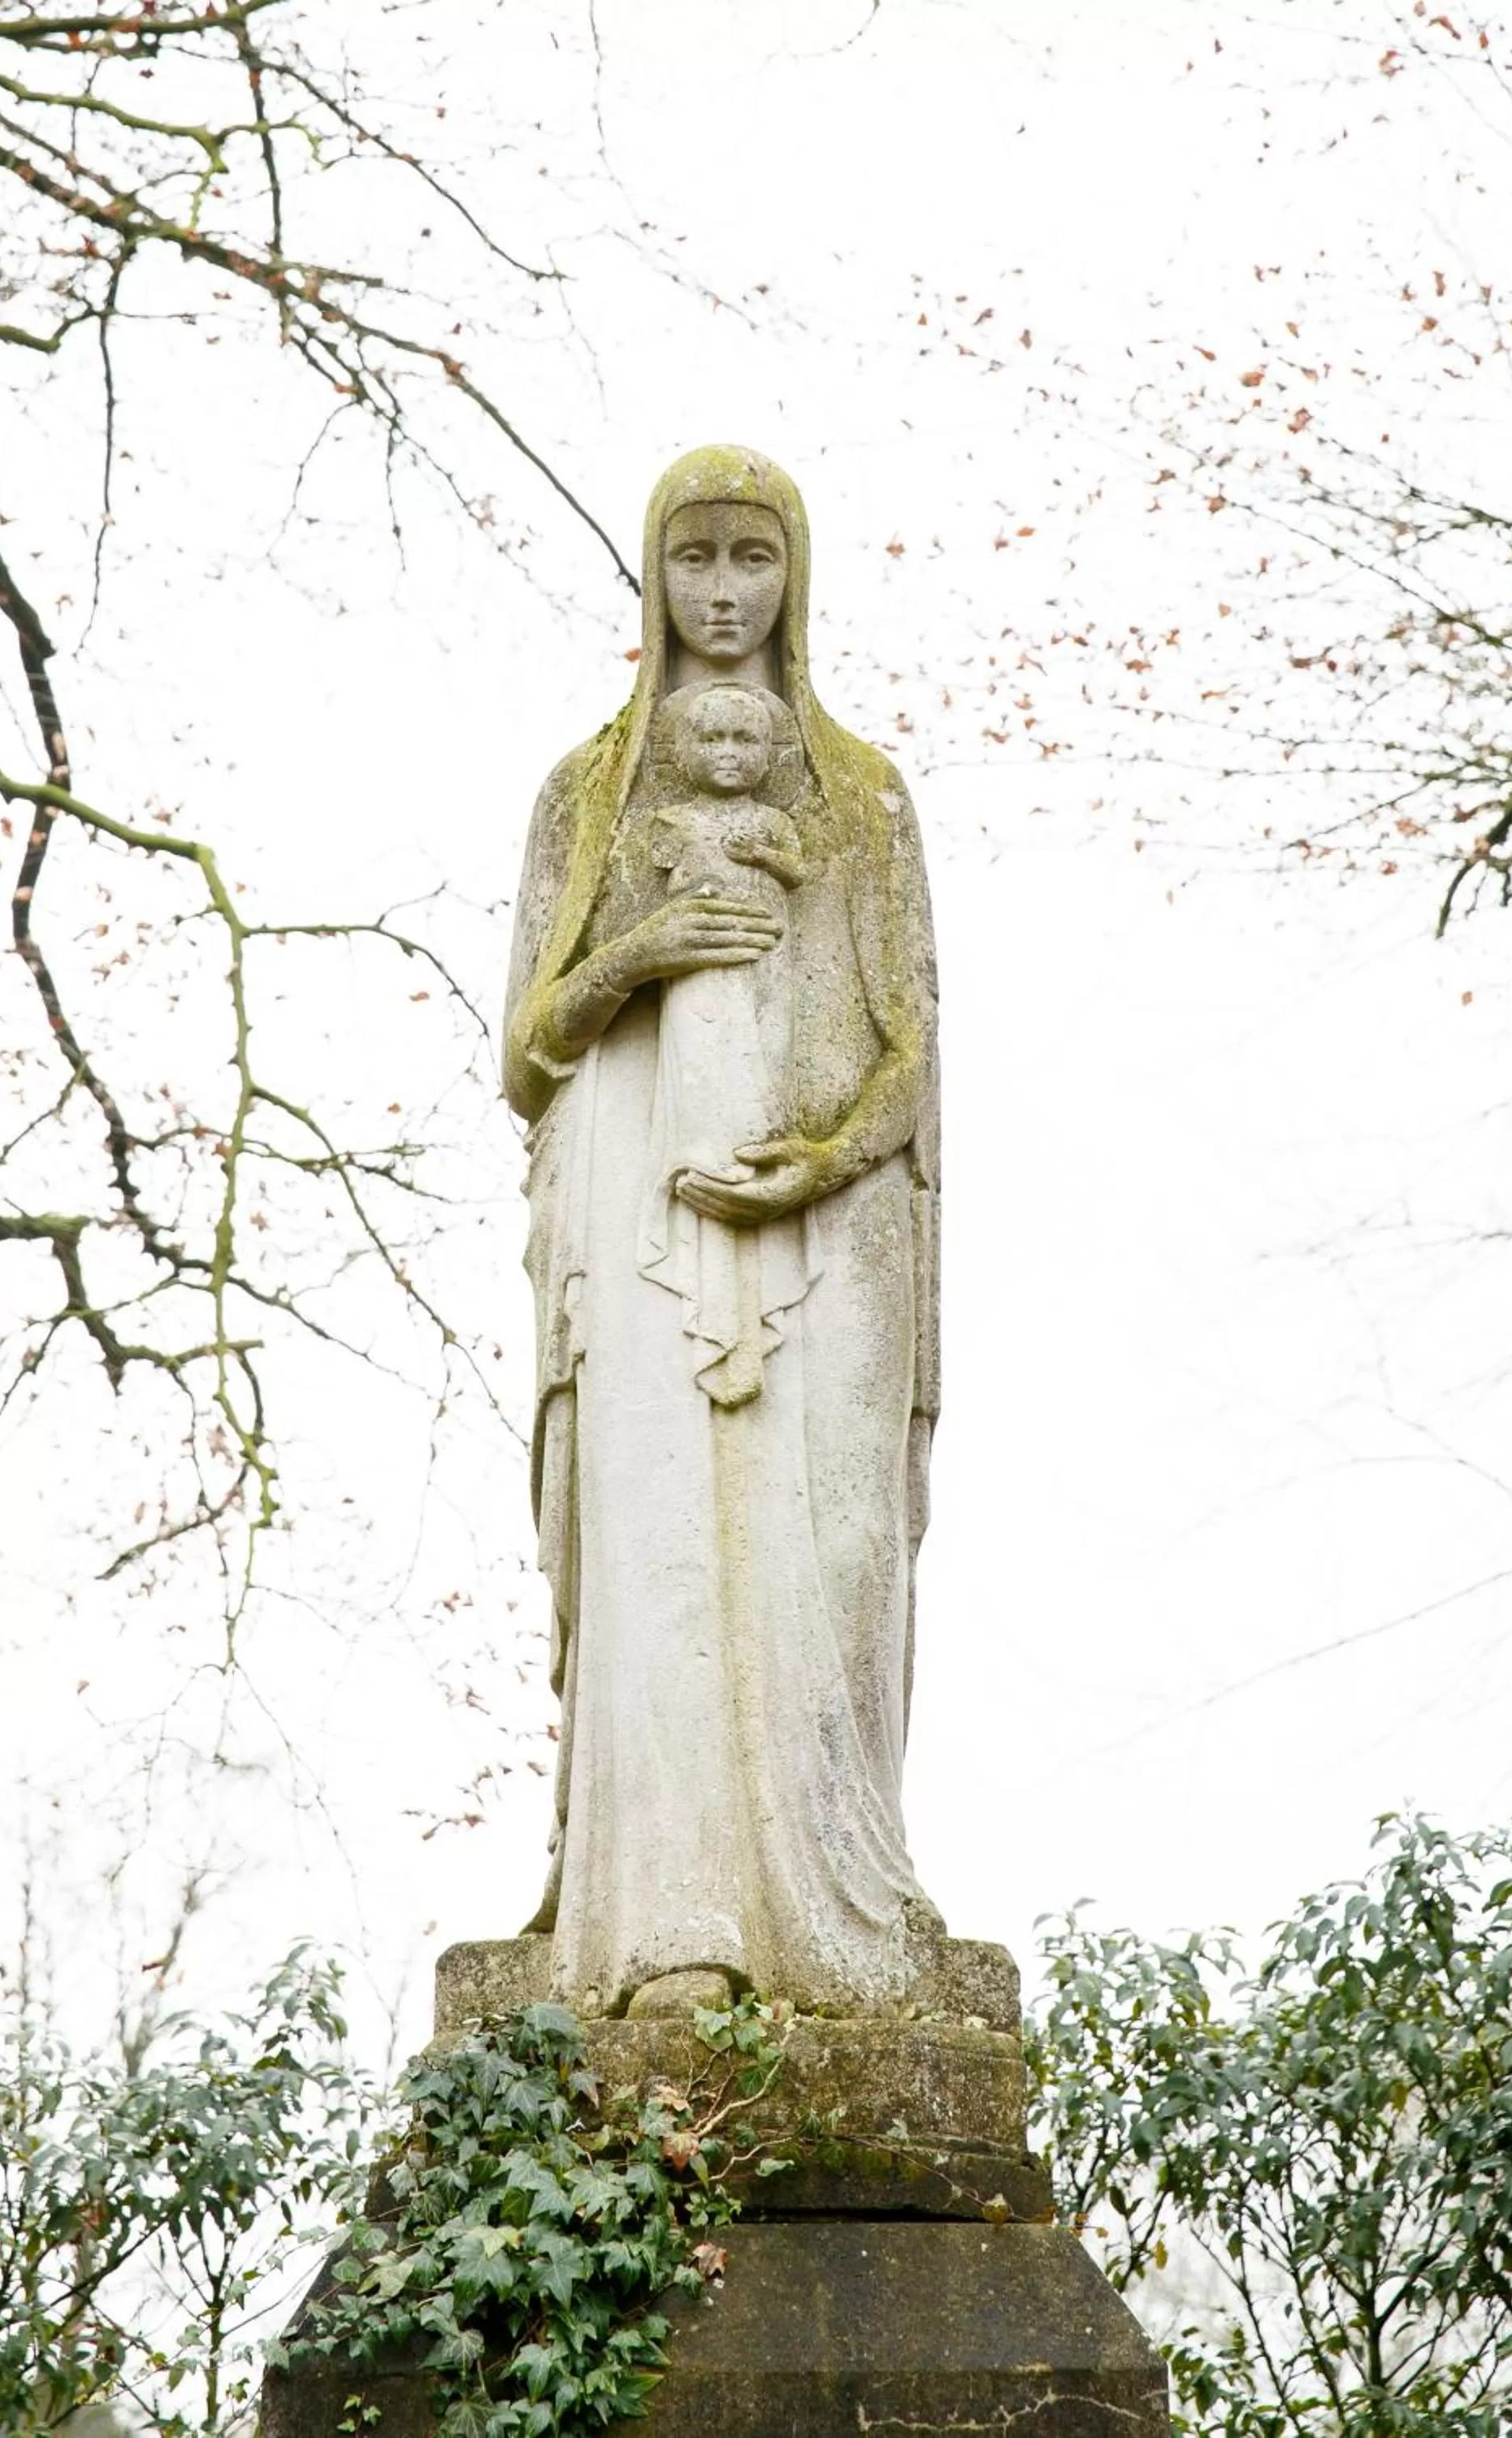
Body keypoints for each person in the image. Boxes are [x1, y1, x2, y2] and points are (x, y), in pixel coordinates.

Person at [505, 444, 942, 2015]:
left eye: (752, 560)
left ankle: (838, 1916)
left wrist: (821, 1160)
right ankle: (665, 1929)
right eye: (696, 560)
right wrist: (644, 948)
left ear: (795, 579)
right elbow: (524, 1046)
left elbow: (913, 1053)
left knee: (827, 1556)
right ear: (654, 576)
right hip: (633, 1200)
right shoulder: (587, 791)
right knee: (658, 1549)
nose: (724, 592)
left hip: (832, 1230)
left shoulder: (867, 799)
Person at [643, 680, 807, 1410]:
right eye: (713, 740)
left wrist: (767, 860)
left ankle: (745, 1319)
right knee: (704, 1120)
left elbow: (800, 875)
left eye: (745, 741)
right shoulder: (669, 822)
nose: (730, 755)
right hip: (697, 993)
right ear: (684, 751)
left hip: (765, 989)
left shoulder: (774, 821)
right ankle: (707, 1303)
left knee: (754, 1124)